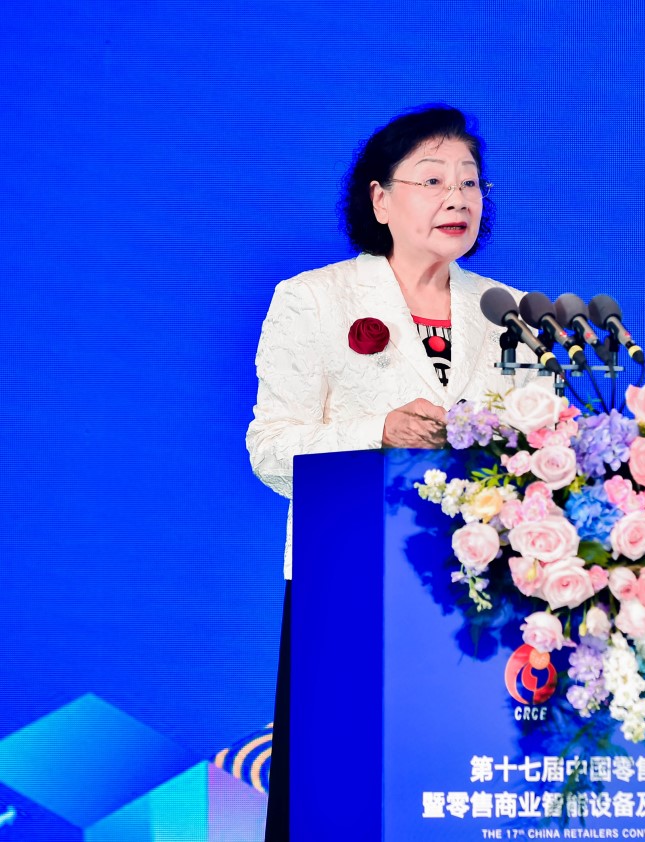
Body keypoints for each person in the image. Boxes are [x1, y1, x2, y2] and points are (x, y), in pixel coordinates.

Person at [245, 104, 532, 838]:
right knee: (338, 803)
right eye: (432, 179)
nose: (457, 197)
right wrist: (377, 432)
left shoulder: (510, 312)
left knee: (453, 799)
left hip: (484, 593)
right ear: (379, 199)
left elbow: (542, 447)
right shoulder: (314, 299)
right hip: (350, 583)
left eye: (470, 181)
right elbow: (270, 448)